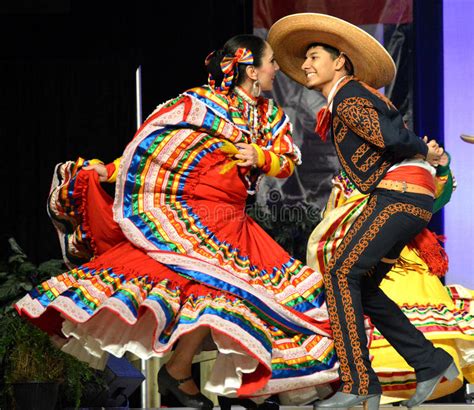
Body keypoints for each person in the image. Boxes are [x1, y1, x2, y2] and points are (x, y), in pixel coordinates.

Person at [14, 34, 338, 408]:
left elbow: (286, 163)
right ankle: (183, 375)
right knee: (207, 289)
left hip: (232, 218)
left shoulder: (271, 115)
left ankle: (200, 377)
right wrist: (112, 170)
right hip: (191, 214)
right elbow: (153, 150)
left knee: (233, 295)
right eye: (271, 63)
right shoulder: (198, 104)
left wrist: (261, 157)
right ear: (252, 70)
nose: (277, 70)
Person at [268, 13, 458, 409]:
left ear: (340, 61)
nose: (305, 65)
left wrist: (423, 150)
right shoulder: (349, 98)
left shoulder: (350, 97)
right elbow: (389, 136)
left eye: (314, 56)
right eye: (304, 58)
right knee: (364, 286)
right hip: (406, 195)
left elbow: (389, 136)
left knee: (339, 271)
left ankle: (359, 384)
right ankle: (431, 364)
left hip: (399, 195)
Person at [307, 152, 474, 404]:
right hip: (363, 251)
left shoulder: (405, 167)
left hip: (398, 251)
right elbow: (334, 218)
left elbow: (434, 200)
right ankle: (422, 365)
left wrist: (440, 167)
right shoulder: (351, 178)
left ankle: (369, 383)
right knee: (363, 293)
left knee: (361, 290)